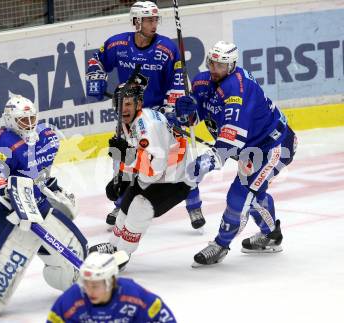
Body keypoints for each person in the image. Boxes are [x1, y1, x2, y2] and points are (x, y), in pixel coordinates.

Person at [0, 95, 88, 318]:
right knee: (16, 249)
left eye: (32, 118)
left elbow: (38, 175)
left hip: (33, 206)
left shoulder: (46, 136)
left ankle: (66, 271)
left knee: (68, 274)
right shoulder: (3, 141)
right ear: (10, 120)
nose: (29, 124)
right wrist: (5, 190)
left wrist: (53, 189)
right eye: (23, 120)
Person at [175, 41, 298, 266]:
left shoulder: (238, 89)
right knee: (254, 194)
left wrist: (208, 160)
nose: (214, 69)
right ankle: (271, 235)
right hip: (250, 151)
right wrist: (187, 110)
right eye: (212, 63)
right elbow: (195, 118)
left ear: (231, 66)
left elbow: (231, 142)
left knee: (238, 197)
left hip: (274, 147)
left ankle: (220, 245)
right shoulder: (202, 81)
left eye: (220, 65)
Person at [86, 0, 205, 230]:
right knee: (124, 157)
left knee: (177, 160)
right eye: (149, 20)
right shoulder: (118, 44)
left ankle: (193, 203)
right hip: (128, 113)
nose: (154, 24)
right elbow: (96, 60)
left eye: (155, 19)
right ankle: (121, 203)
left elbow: (178, 80)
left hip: (158, 114)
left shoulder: (166, 48)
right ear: (136, 21)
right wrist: (95, 77)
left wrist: (173, 109)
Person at [89, 75, 196, 266]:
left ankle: (122, 255)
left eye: (129, 104)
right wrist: (121, 178)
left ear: (139, 104)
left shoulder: (148, 126)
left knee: (140, 208)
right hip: (156, 175)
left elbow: (154, 169)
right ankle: (114, 245)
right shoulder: (125, 123)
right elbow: (129, 156)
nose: (124, 109)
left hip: (176, 180)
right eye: (120, 104)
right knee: (127, 203)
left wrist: (128, 158)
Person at [47, 252, 176, 322]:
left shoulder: (132, 294)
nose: (89, 290)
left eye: (95, 286)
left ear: (110, 282)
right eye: (86, 284)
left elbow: (163, 316)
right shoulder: (71, 299)